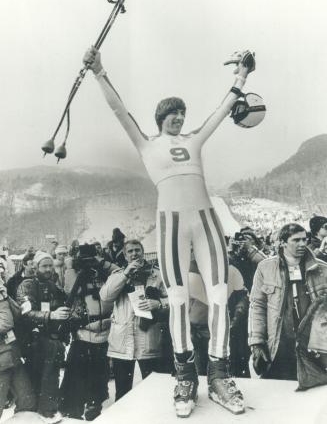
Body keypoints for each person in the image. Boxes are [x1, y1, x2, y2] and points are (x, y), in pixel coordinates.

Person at [83, 46, 255, 417]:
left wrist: (241, 77)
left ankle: (220, 374)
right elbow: (119, 111)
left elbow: (221, 112)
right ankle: (185, 376)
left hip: (206, 219)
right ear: (161, 117)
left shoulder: (194, 139)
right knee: (176, 299)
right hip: (171, 223)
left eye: (181, 112)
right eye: (172, 113)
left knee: (220, 295)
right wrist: (99, 71)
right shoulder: (147, 144)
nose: (178, 118)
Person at [249, 223, 327, 385]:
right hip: (279, 344)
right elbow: (257, 306)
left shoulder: (321, 269)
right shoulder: (266, 268)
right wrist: (257, 342)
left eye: (304, 240)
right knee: (278, 391)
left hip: (313, 346)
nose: (302, 244)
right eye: (296, 240)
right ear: (283, 242)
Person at [100, 239, 169, 401]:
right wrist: (125, 275)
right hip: (122, 342)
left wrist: (158, 303)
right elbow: (105, 296)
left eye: (137, 250)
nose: (134, 254)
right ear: (124, 255)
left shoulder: (156, 274)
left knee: (152, 392)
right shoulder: (118, 275)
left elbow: (172, 299)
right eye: (130, 251)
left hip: (148, 339)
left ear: (142, 252)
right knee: (123, 393)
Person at [59, 244, 119, 421]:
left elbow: (121, 273)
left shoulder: (104, 273)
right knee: (78, 373)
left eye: (92, 258)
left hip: (104, 331)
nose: (89, 263)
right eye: (85, 258)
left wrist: (103, 263)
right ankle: (73, 409)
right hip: (84, 332)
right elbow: (69, 290)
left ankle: (95, 405)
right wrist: (71, 266)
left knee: (100, 373)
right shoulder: (75, 274)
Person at [16, 251, 70, 423]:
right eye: (44, 266)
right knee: (35, 383)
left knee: (51, 380)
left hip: (52, 343)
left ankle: (47, 413)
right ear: (36, 267)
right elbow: (25, 313)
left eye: (50, 266)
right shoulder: (27, 285)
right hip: (33, 343)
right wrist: (52, 316)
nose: (48, 269)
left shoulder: (55, 286)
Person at [0, 277, 36, 419]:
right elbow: (7, 323)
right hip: (3, 359)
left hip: (12, 355)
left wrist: (6, 297)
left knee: (27, 401)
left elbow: (16, 315)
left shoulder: (2, 295)